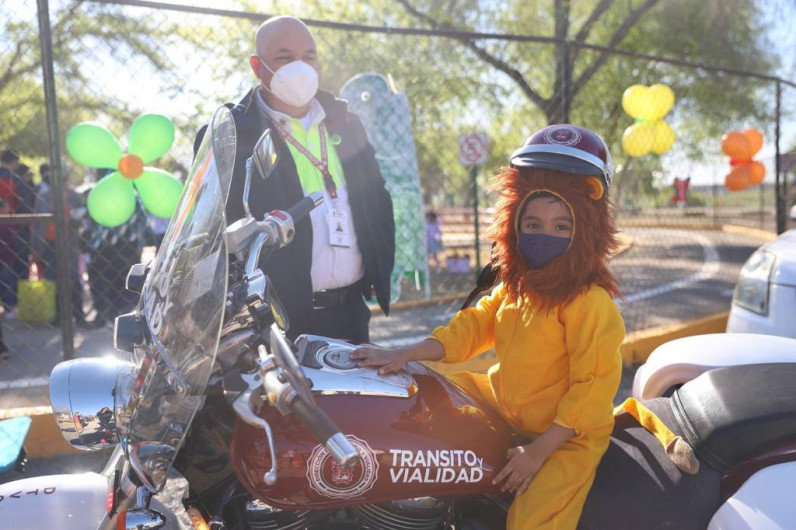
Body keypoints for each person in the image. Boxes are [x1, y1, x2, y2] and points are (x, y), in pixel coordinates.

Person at [352, 125, 625, 529]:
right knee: (425, 390)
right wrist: (406, 354)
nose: (543, 235)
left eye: (561, 227)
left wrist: (539, 452)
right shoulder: (517, 287)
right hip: (507, 404)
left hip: (568, 435)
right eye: (532, 224)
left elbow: (593, 387)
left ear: (586, 231)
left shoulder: (589, 303)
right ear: (513, 226)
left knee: (532, 519)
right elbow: (474, 325)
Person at [196, 16, 394, 342]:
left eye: (308, 56)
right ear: (258, 67)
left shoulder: (345, 123)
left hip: (350, 315)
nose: (299, 67)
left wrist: (378, 265)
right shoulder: (228, 133)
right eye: (285, 58)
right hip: (274, 322)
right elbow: (207, 227)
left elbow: (377, 197)